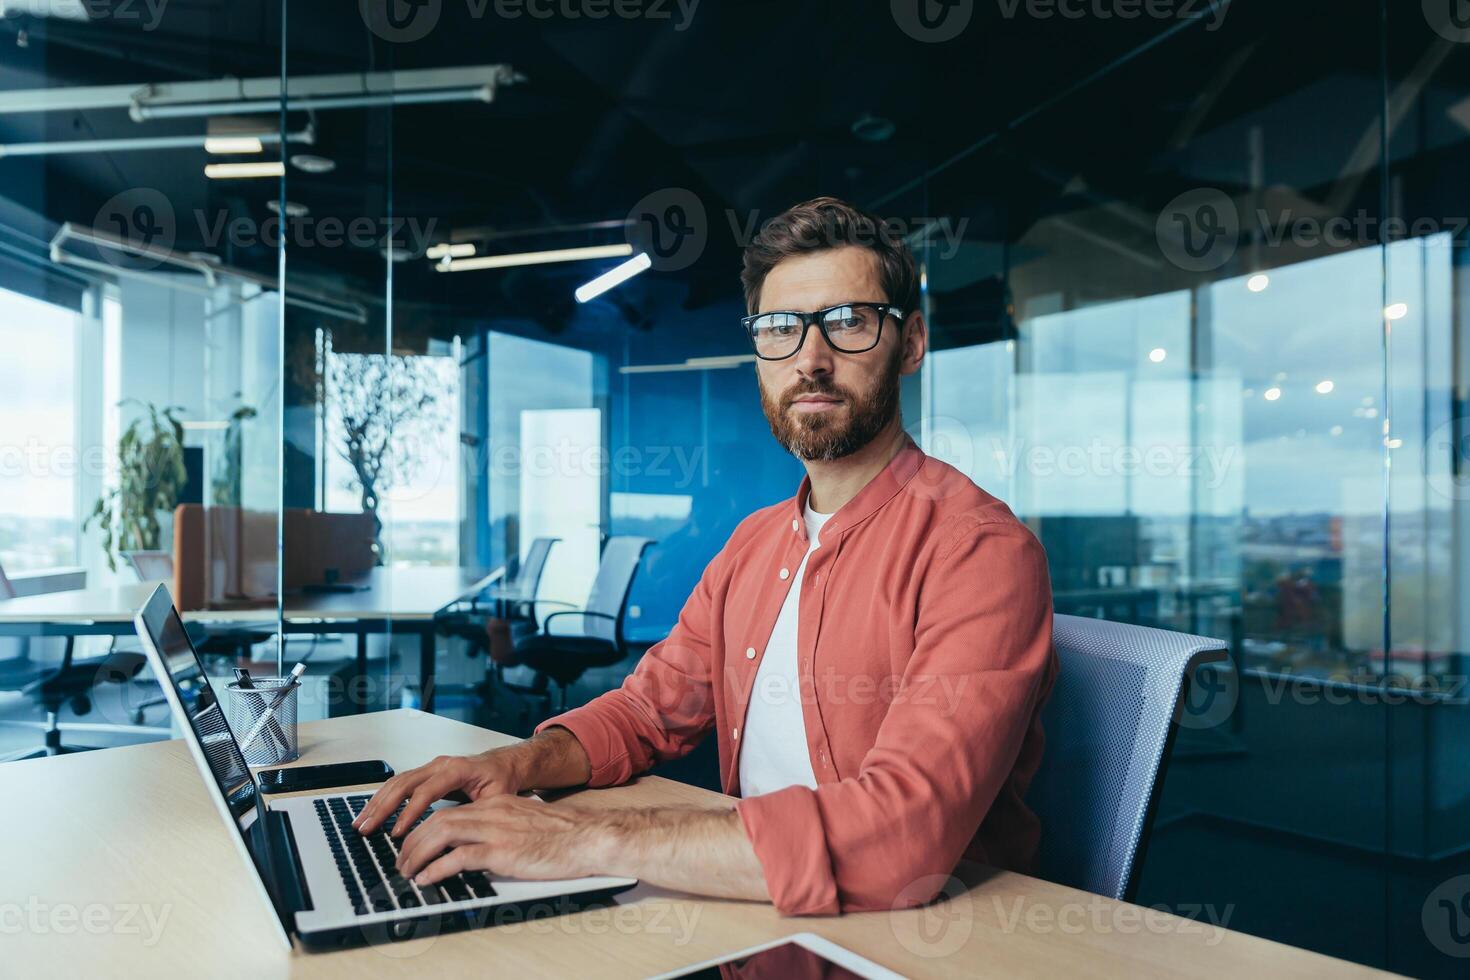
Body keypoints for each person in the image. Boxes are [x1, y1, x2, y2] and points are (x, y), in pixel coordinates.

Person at [355, 196, 1058, 915]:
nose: (811, 359)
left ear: (910, 343)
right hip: (743, 910)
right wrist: (514, 764)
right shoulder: (755, 543)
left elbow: (899, 837)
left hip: (902, 944)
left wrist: (581, 837)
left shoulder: (979, 552)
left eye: (848, 322)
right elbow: (648, 711)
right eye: (781, 328)